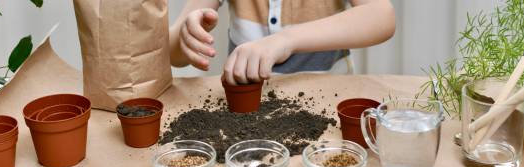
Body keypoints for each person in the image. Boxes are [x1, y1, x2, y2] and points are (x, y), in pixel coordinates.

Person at [169, 0, 395, 86]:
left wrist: (286, 40)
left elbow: (382, 16)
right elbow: (173, 54)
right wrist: (187, 35)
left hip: (330, 107)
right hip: (248, 117)